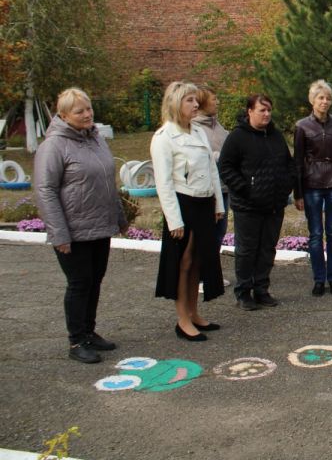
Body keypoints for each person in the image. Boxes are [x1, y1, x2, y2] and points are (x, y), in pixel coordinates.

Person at [34, 88, 128, 364]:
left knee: (94, 279)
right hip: (73, 230)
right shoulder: (53, 146)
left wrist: (119, 217)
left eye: (89, 109)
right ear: (63, 116)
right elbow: (45, 190)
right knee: (79, 283)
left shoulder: (95, 139)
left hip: (99, 224)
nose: (87, 115)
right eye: (79, 111)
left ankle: (89, 331)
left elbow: (107, 182)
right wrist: (59, 232)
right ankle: (76, 341)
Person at [151, 81, 226, 342]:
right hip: (184, 205)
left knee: (198, 261)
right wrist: (174, 220)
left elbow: (212, 171)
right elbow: (164, 183)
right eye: (189, 101)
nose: (196, 105)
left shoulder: (199, 132)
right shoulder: (164, 137)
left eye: (196, 100)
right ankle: (182, 319)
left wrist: (218, 204)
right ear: (175, 103)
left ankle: (194, 313)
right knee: (183, 262)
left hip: (204, 203)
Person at [219, 94, 294, 310]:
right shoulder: (237, 137)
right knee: (246, 250)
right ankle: (243, 292)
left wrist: (286, 186)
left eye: (269, 110)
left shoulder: (275, 136)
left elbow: (289, 163)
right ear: (249, 111)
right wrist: (245, 188)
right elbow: (225, 167)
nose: (267, 114)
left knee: (267, 248)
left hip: (273, 204)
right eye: (262, 110)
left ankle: (261, 289)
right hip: (248, 206)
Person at [294, 80, 332, 297]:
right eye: (321, 98)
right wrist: (298, 192)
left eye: (328, 98)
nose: (325, 102)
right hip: (312, 186)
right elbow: (298, 161)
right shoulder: (302, 126)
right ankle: (319, 279)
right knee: (316, 234)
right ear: (312, 100)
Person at [193, 85, 231, 288]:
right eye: (213, 98)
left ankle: (211, 273)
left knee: (219, 232)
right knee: (206, 234)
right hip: (205, 190)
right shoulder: (195, 128)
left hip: (224, 186)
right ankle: (200, 276)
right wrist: (221, 157)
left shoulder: (218, 126)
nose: (217, 102)